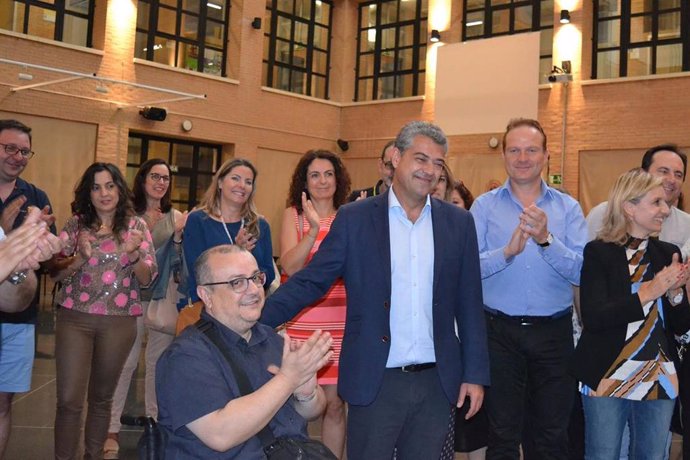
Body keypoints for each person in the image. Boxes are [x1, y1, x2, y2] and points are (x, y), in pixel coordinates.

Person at [262, 120, 489, 459]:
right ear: (396, 157)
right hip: (375, 379)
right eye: (421, 159)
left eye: (437, 163)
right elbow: (312, 280)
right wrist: (255, 319)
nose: (429, 170)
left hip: (437, 382)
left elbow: (469, 304)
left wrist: (474, 374)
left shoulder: (458, 223)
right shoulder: (355, 218)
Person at [470, 118, 587, 459]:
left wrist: (546, 240)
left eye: (531, 150)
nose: (523, 157)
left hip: (554, 333)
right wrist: (506, 253)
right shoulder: (484, 206)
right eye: (515, 150)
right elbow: (467, 270)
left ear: (546, 156)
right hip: (498, 332)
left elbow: (582, 271)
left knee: (552, 435)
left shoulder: (568, 208)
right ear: (504, 155)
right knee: (503, 433)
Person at [156, 244, 332, 458]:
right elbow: (220, 435)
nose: (253, 290)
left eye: (256, 278)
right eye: (237, 282)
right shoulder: (186, 355)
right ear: (206, 294)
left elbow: (313, 412)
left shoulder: (273, 340)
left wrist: (306, 393)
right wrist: (288, 379)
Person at [572, 168, 690, 458]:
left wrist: (675, 293)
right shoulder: (599, 252)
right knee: (604, 455)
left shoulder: (667, 251)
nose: (665, 209)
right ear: (629, 207)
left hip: (659, 375)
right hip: (607, 371)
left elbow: (681, 325)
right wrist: (650, 291)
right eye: (656, 202)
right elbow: (595, 316)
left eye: (665, 203)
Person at [49, 162, 157, 460]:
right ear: (89, 192)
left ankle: (93, 456)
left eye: (109, 185)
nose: (103, 193)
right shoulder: (76, 225)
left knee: (101, 399)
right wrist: (79, 259)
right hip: (74, 318)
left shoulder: (137, 226)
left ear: (120, 189)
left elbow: (147, 278)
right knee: (69, 400)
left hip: (118, 324)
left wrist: (134, 254)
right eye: (96, 187)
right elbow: (54, 274)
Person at [104, 159, 187, 459]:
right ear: (142, 180)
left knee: (158, 366)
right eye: (155, 176)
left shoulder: (175, 216)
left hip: (162, 298)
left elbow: (179, 261)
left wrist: (178, 237)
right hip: (130, 297)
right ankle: (111, 428)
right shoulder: (126, 216)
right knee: (126, 364)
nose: (161, 182)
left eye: (165, 178)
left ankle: (155, 424)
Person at [279, 149, 350, 458]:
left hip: (341, 324)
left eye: (328, 174)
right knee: (299, 405)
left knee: (335, 406)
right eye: (315, 175)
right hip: (302, 323)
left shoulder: (350, 215)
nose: (322, 181)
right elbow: (289, 267)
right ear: (304, 181)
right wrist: (312, 231)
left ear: (338, 179)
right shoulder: (293, 214)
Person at [0, 119, 56, 458]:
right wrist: (9, 235)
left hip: (20, 320)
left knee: (3, 402)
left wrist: (50, 246)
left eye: (24, 151)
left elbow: (48, 260)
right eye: (10, 148)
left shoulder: (36, 197)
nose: (17, 156)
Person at [182, 158, 274, 303]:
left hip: (250, 306)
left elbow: (269, 275)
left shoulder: (260, 225)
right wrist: (237, 254)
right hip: (210, 307)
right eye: (235, 178)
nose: (242, 185)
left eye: (248, 182)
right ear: (220, 182)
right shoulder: (198, 220)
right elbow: (198, 272)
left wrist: (248, 262)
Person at [587, 144, 690, 256]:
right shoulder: (603, 213)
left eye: (678, 175)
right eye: (664, 171)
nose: (672, 180)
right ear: (643, 173)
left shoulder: (687, 224)